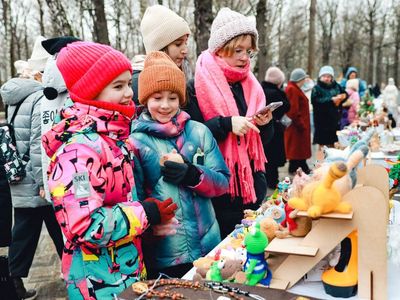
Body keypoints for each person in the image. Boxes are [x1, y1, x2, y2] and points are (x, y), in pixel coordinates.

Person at [42, 41, 178, 299]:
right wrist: (145, 213)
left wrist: (146, 225)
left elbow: (118, 202)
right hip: (96, 284)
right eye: (118, 86)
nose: (129, 93)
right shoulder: (77, 152)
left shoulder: (113, 139)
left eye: (128, 83)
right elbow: (84, 224)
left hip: (125, 273)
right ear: (89, 91)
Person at [131, 51, 230, 278]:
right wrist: (150, 223)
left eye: (172, 98)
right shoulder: (135, 143)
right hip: (167, 252)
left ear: (181, 99)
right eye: (157, 98)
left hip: (209, 244)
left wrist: (194, 175)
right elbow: (133, 201)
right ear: (145, 99)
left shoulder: (199, 131)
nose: (165, 105)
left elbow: (223, 182)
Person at [185, 7, 273, 238]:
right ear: (220, 50)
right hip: (220, 195)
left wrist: (265, 125)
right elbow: (193, 139)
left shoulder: (251, 86)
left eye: (249, 51)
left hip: (253, 189)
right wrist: (226, 124)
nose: (245, 57)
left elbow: (262, 144)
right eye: (237, 50)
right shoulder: (196, 86)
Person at [0, 36, 64, 300]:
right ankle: (13, 286)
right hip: (37, 179)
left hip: (20, 176)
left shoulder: (15, 97)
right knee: (42, 232)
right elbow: (40, 145)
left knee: (30, 232)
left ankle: (12, 285)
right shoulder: (39, 98)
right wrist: (43, 182)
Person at [132, 4, 192, 106]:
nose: (185, 50)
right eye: (178, 44)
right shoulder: (139, 82)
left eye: (185, 43)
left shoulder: (176, 76)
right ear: (159, 47)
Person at [261, 67, 290, 188]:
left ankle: (268, 179)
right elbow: (286, 106)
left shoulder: (261, 90)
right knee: (273, 157)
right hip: (274, 128)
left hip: (263, 127)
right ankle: (272, 181)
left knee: (267, 156)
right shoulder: (276, 93)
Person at [312, 65, 347, 148]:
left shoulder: (337, 86)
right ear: (320, 77)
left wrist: (342, 97)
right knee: (322, 146)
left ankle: (332, 161)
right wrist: (331, 100)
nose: (326, 78)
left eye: (328, 76)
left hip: (334, 120)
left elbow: (345, 94)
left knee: (333, 144)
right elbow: (315, 101)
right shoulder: (316, 88)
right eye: (324, 76)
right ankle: (320, 161)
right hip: (322, 121)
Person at [284, 68, 311, 174]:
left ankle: (300, 167)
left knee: (299, 149)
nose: (305, 81)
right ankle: (298, 168)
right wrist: (301, 124)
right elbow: (293, 110)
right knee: (296, 149)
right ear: (300, 79)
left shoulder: (295, 88)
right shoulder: (292, 89)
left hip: (298, 125)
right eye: (304, 79)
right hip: (296, 126)